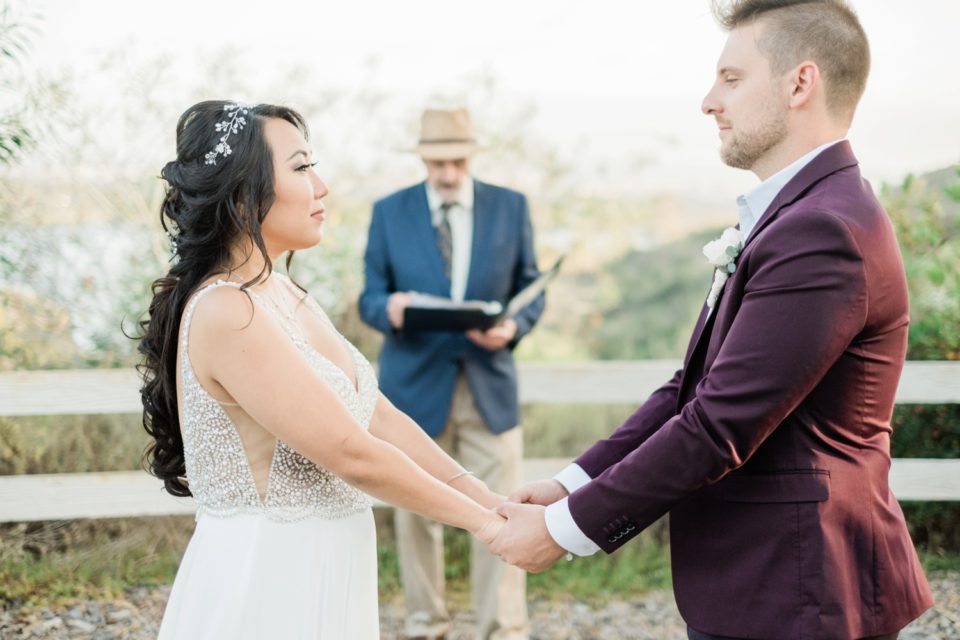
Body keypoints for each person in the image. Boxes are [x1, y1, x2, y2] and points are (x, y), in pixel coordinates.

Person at [491, 1, 934, 639]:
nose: (709, 101)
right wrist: (572, 482)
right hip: (768, 584)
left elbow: (720, 422)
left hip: (803, 588)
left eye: (731, 78)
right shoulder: (798, 213)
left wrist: (567, 531)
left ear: (799, 83)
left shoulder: (821, 229)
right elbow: (689, 387)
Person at [137, 100, 507, 640]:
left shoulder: (285, 293)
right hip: (269, 577)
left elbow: (378, 418)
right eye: (302, 168)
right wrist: (488, 527)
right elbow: (351, 453)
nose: (322, 187)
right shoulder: (228, 310)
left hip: (327, 567)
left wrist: (489, 498)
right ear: (244, 193)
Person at [359, 107, 542, 640]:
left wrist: (513, 326)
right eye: (436, 160)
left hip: (489, 386)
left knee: (506, 508)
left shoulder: (511, 207)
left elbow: (532, 287)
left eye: (456, 160)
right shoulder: (389, 212)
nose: (446, 171)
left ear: (472, 155)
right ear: (422, 158)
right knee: (415, 514)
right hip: (413, 389)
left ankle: (503, 630)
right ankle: (425, 626)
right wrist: (387, 308)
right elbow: (370, 296)